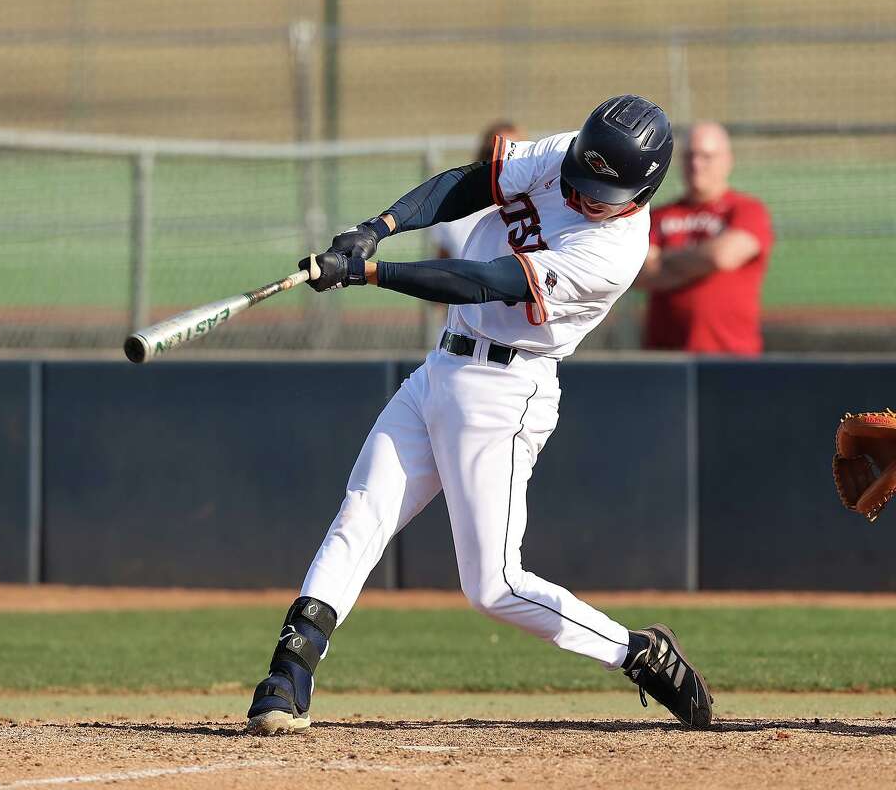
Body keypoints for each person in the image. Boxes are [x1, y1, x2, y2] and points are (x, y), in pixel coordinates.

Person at [245, 95, 714, 737]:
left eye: (599, 191)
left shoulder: (614, 250)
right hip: (442, 365)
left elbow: (486, 280)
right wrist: (377, 227)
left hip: (505, 392)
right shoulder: (568, 152)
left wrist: (372, 272)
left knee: (493, 586)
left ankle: (636, 653)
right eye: (581, 177)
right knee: (363, 508)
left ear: (641, 190)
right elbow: (470, 184)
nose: (580, 195)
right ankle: (289, 674)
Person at [634, 121, 774, 353]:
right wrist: (701, 261)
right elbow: (637, 273)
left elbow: (722, 257)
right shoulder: (656, 215)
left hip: (732, 355)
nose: (696, 164)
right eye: (690, 156)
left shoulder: (747, 210)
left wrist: (664, 260)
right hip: (666, 357)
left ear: (727, 160)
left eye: (707, 156)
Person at [429, 121, 526, 260]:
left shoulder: (541, 208)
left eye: (517, 153)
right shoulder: (453, 214)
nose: (505, 162)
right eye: (497, 152)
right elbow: (440, 270)